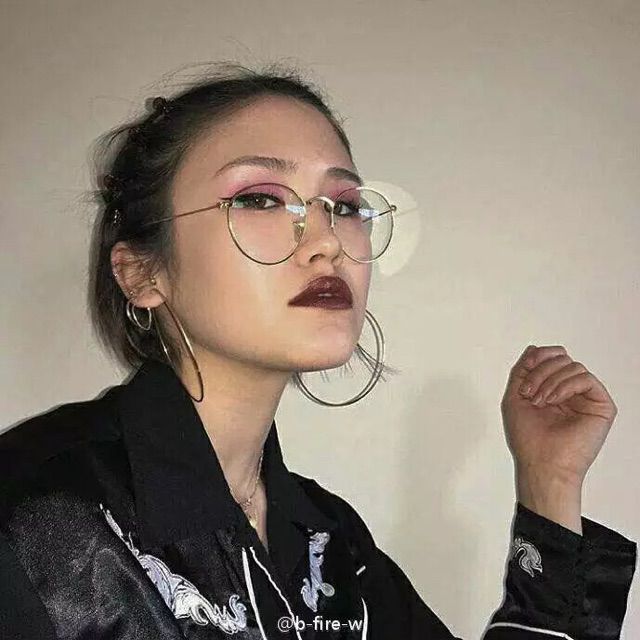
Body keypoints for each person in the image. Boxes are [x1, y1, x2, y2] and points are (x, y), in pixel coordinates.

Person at [0, 63, 636, 640]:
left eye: (345, 205)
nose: (327, 239)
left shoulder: (333, 547)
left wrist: (550, 484)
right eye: (260, 199)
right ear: (142, 273)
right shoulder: (38, 520)